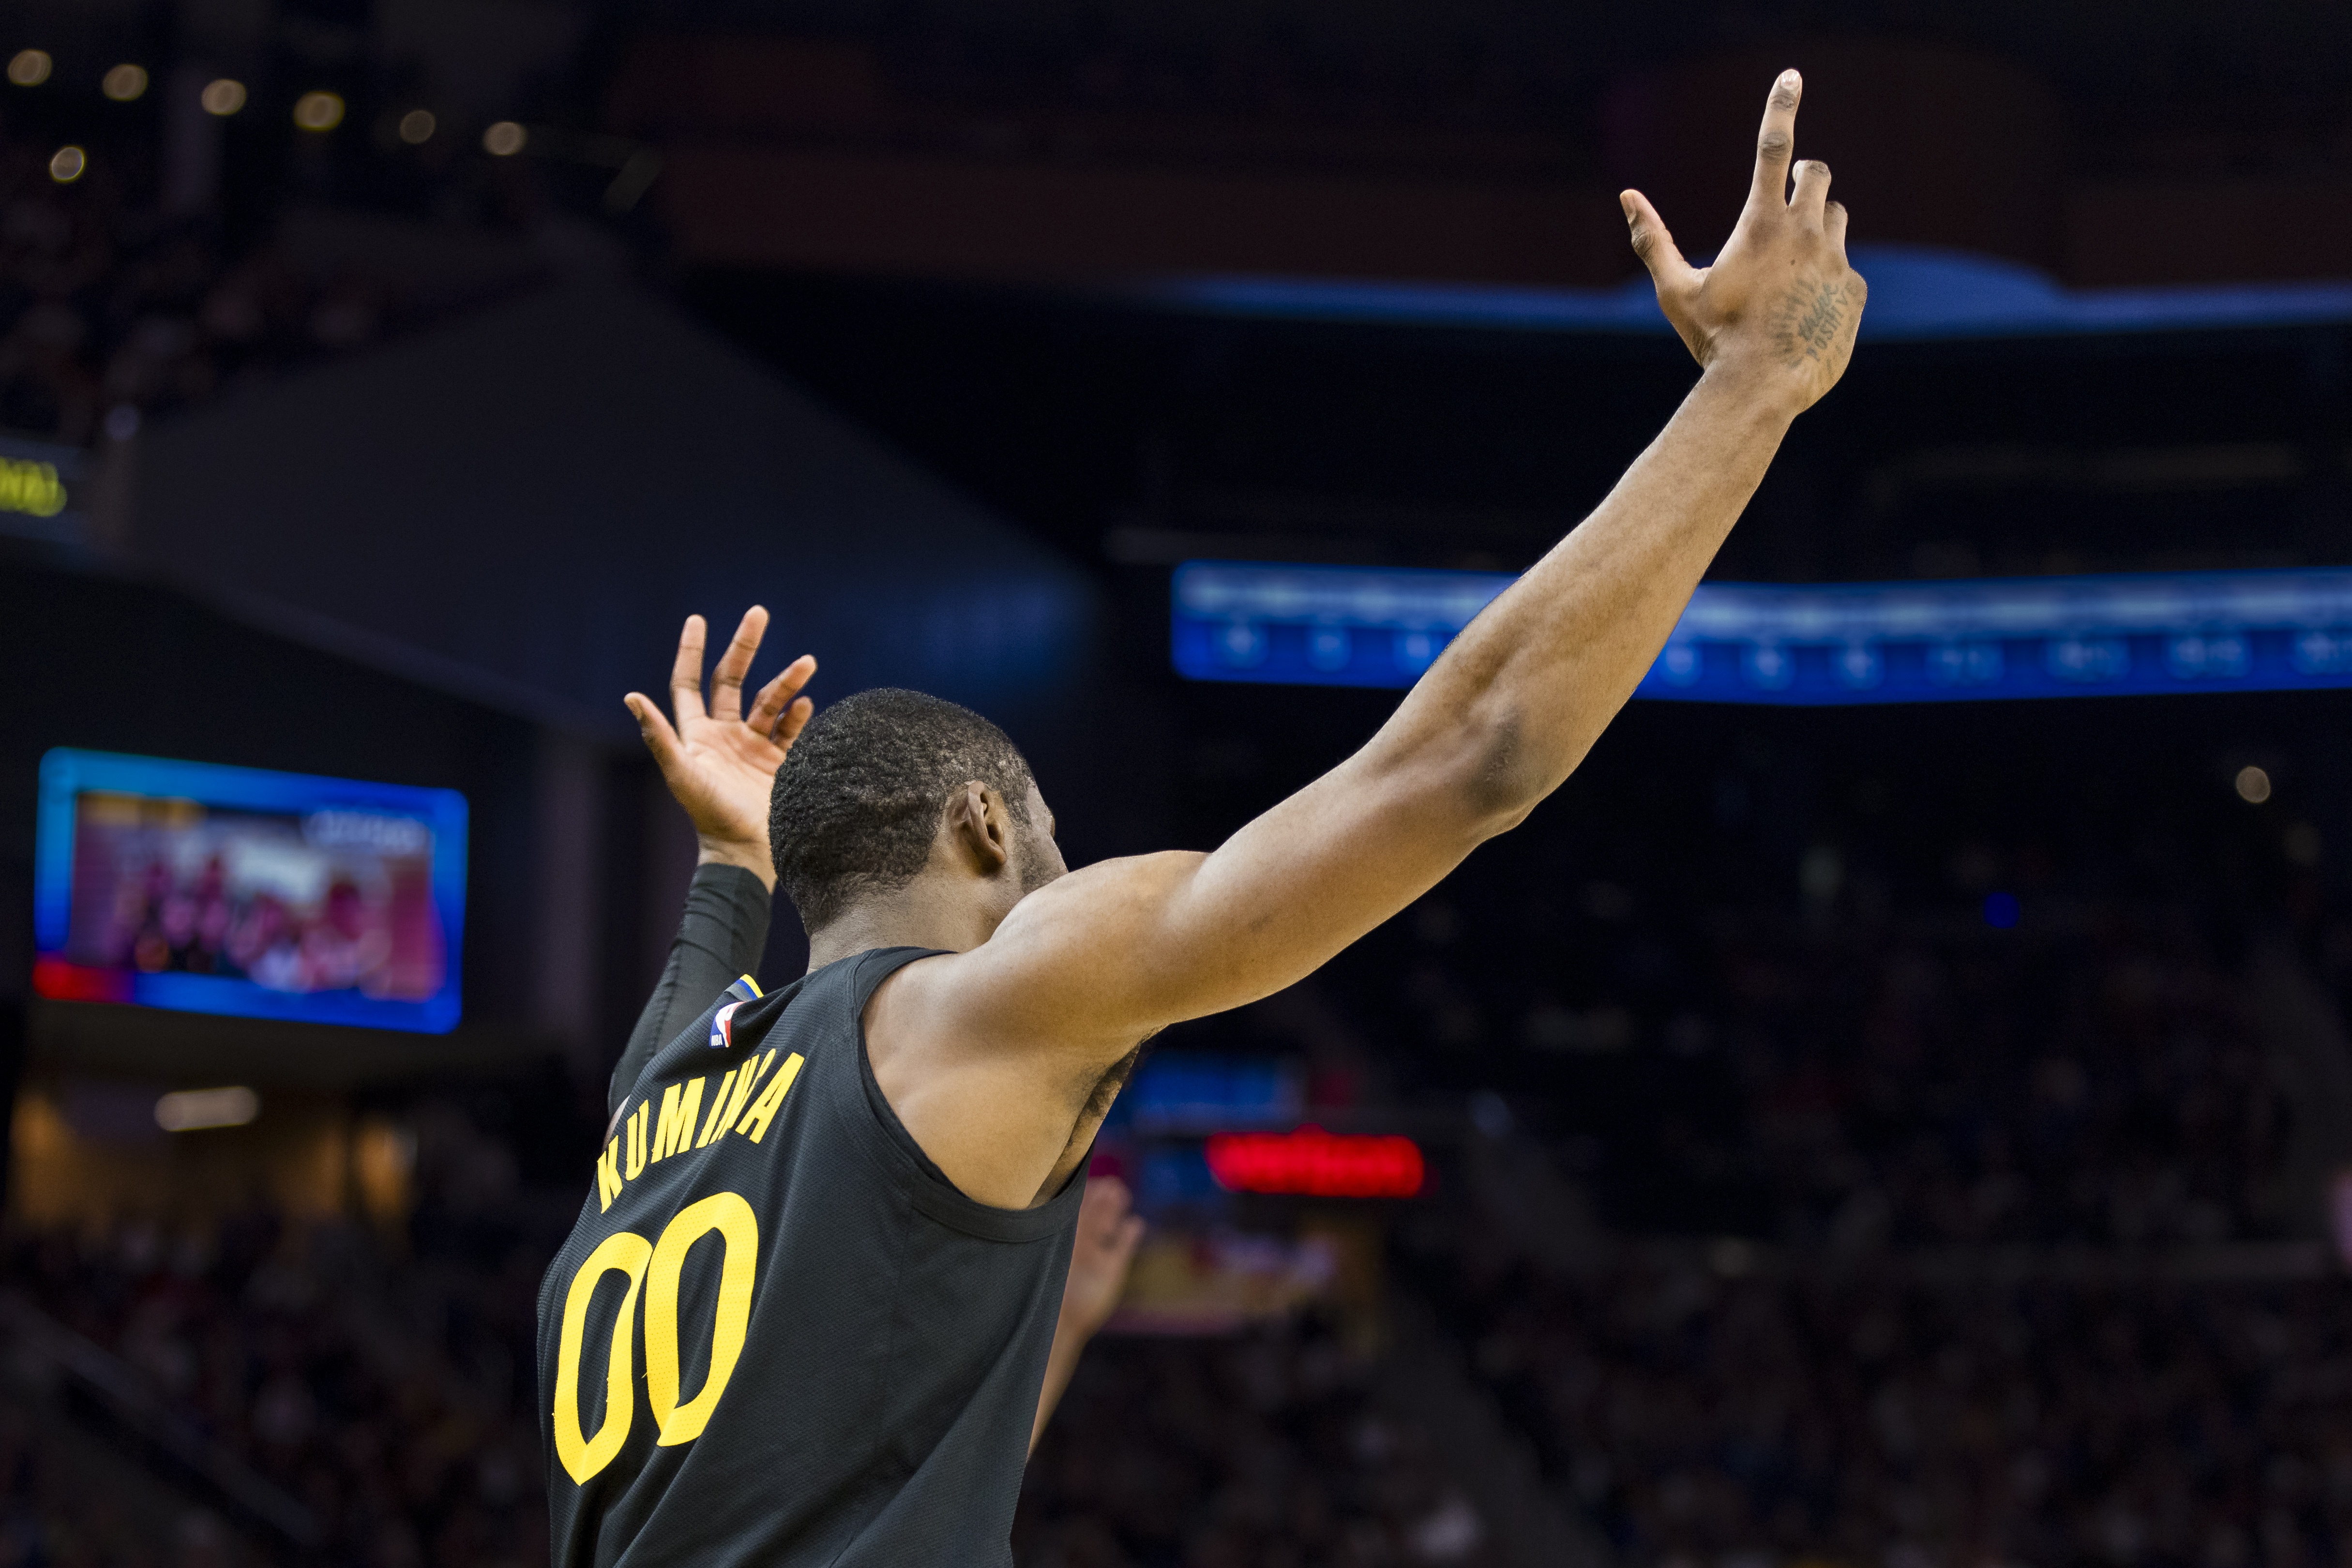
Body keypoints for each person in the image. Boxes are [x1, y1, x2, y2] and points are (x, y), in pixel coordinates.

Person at [537, 67, 1863, 1567]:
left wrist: (730, 857)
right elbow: (1468, 758)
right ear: (983, 826)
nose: (1063, 862)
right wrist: (1750, 386)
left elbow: (813, 1482)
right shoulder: (989, 1007)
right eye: (1046, 827)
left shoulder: (657, 1110)